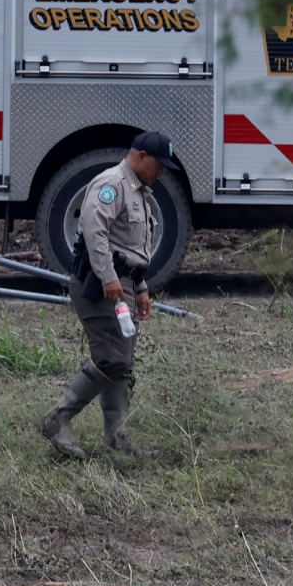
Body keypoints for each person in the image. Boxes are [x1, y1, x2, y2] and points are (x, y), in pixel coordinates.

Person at [40, 131, 179, 459]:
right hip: (99, 284)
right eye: (159, 165)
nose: (162, 173)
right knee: (112, 359)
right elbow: (94, 231)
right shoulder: (112, 184)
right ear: (141, 156)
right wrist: (108, 277)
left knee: (123, 364)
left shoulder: (139, 192)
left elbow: (129, 248)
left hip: (124, 284)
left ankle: (115, 440)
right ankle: (57, 418)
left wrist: (140, 287)